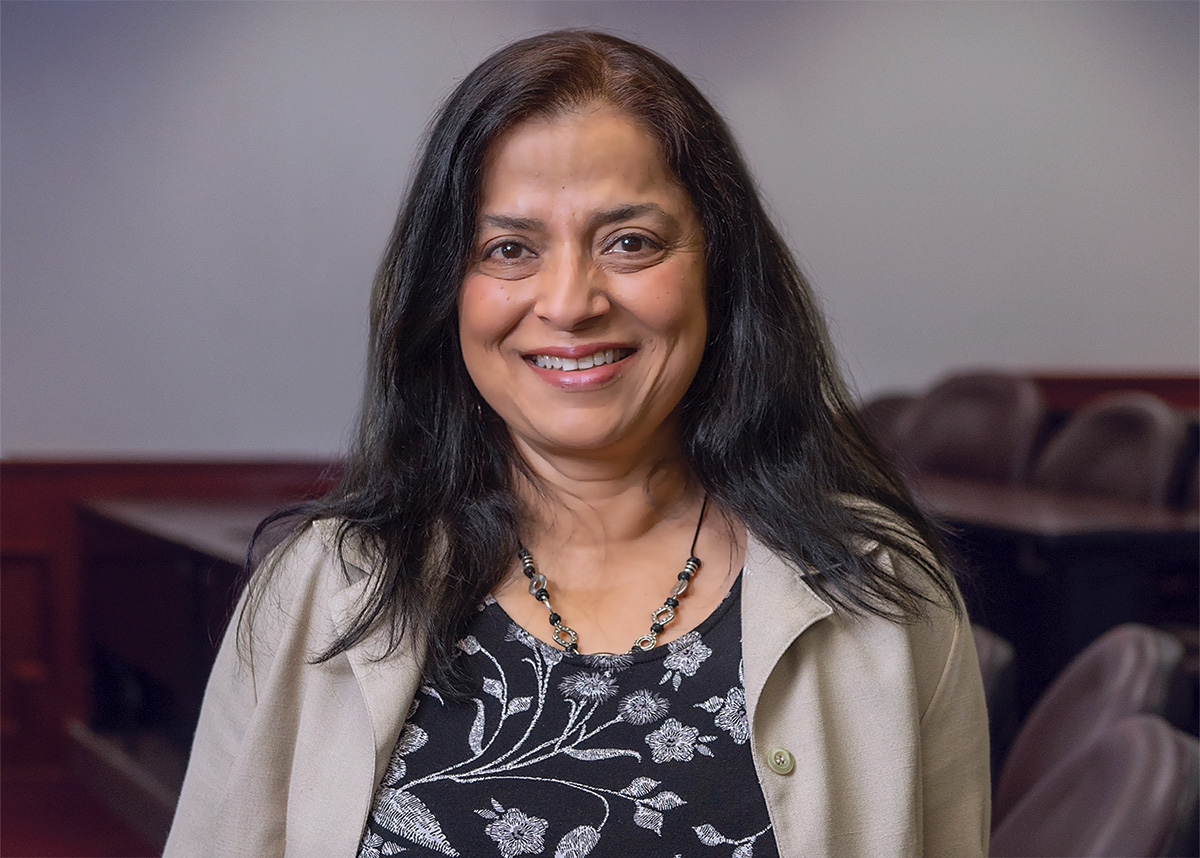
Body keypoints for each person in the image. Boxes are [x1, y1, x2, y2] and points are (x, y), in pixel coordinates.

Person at [164, 30, 989, 858]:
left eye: (630, 241)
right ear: (447, 291)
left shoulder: (886, 596)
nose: (569, 301)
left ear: (720, 269)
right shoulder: (316, 594)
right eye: (510, 250)